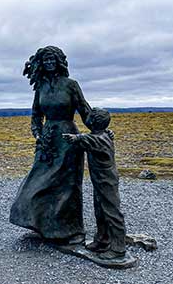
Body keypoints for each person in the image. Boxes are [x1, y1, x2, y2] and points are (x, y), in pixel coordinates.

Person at [9, 46, 92, 244]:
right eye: (45, 60)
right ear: (41, 63)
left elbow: (85, 111)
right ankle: (43, 224)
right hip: (47, 140)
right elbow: (36, 115)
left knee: (68, 186)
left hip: (68, 138)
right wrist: (37, 133)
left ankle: (71, 230)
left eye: (52, 59)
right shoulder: (40, 87)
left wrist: (100, 128)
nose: (49, 63)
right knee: (39, 181)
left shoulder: (71, 85)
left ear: (59, 61)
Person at [63, 108, 126, 259]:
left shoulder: (99, 139)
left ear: (93, 122)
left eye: (89, 117)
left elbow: (87, 140)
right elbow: (91, 138)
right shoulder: (104, 134)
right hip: (100, 180)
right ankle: (102, 240)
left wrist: (74, 138)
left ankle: (118, 248)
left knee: (112, 212)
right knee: (100, 210)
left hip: (107, 181)